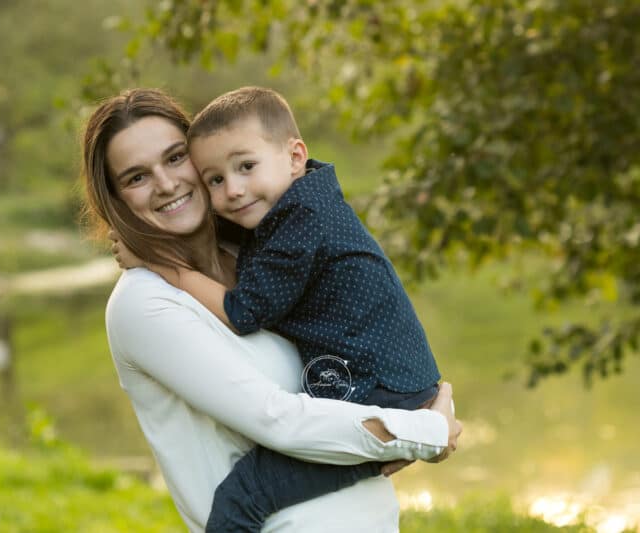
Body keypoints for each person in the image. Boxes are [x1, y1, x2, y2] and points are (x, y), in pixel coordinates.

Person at [81, 87, 462, 533]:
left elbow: (351, 364)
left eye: (174, 158)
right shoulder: (144, 303)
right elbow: (279, 420)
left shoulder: (265, 257)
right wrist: (426, 431)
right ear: (116, 199)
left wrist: (407, 424)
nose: (166, 183)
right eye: (136, 177)